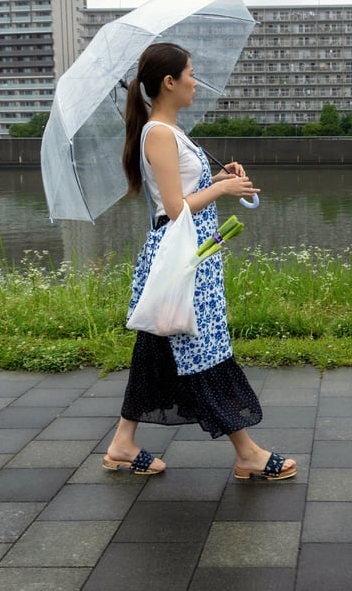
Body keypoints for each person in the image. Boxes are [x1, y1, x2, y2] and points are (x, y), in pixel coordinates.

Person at [102, 42, 296, 480]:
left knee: (159, 346)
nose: (195, 81)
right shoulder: (159, 133)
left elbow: (188, 191)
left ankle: (121, 442)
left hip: (191, 258)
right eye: (189, 73)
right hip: (181, 262)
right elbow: (175, 207)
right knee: (203, 350)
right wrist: (222, 190)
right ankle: (246, 453)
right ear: (169, 82)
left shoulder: (171, 131)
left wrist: (218, 177)